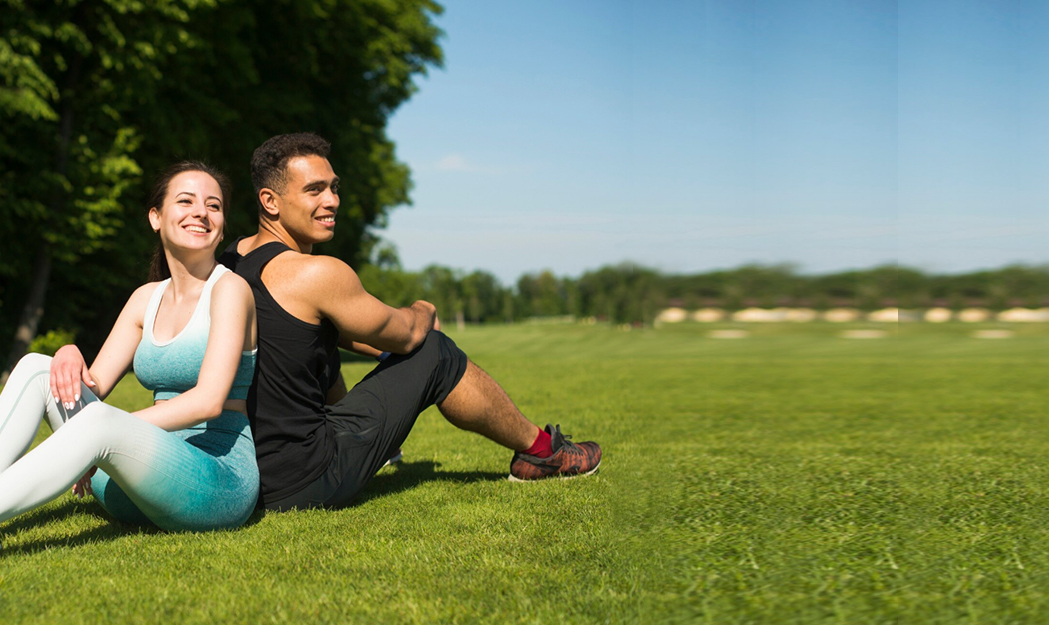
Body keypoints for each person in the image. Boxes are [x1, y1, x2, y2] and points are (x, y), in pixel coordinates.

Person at [220, 133, 600, 512]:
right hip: (308, 480)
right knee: (436, 351)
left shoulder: (232, 261)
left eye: (334, 187)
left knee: (328, 336)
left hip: (246, 475)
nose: (332, 200)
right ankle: (542, 454)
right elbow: (407, 335)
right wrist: (424, 309)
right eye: (315, 190)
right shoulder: (315, 273)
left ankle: (384, 446)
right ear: (270, 201)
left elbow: (314, 337)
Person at [0, 162, 259, 532]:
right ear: (156, 217)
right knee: (37, 368)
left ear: (221, 228)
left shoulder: (230, 289)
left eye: (213, 205)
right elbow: (91, 388)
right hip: (137, 475)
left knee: (100, 422)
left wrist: (99, 431)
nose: (201, 212)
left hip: (213, 480)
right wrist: (68, 353)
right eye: (186, 201)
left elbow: (209, 401)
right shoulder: (145, 299)